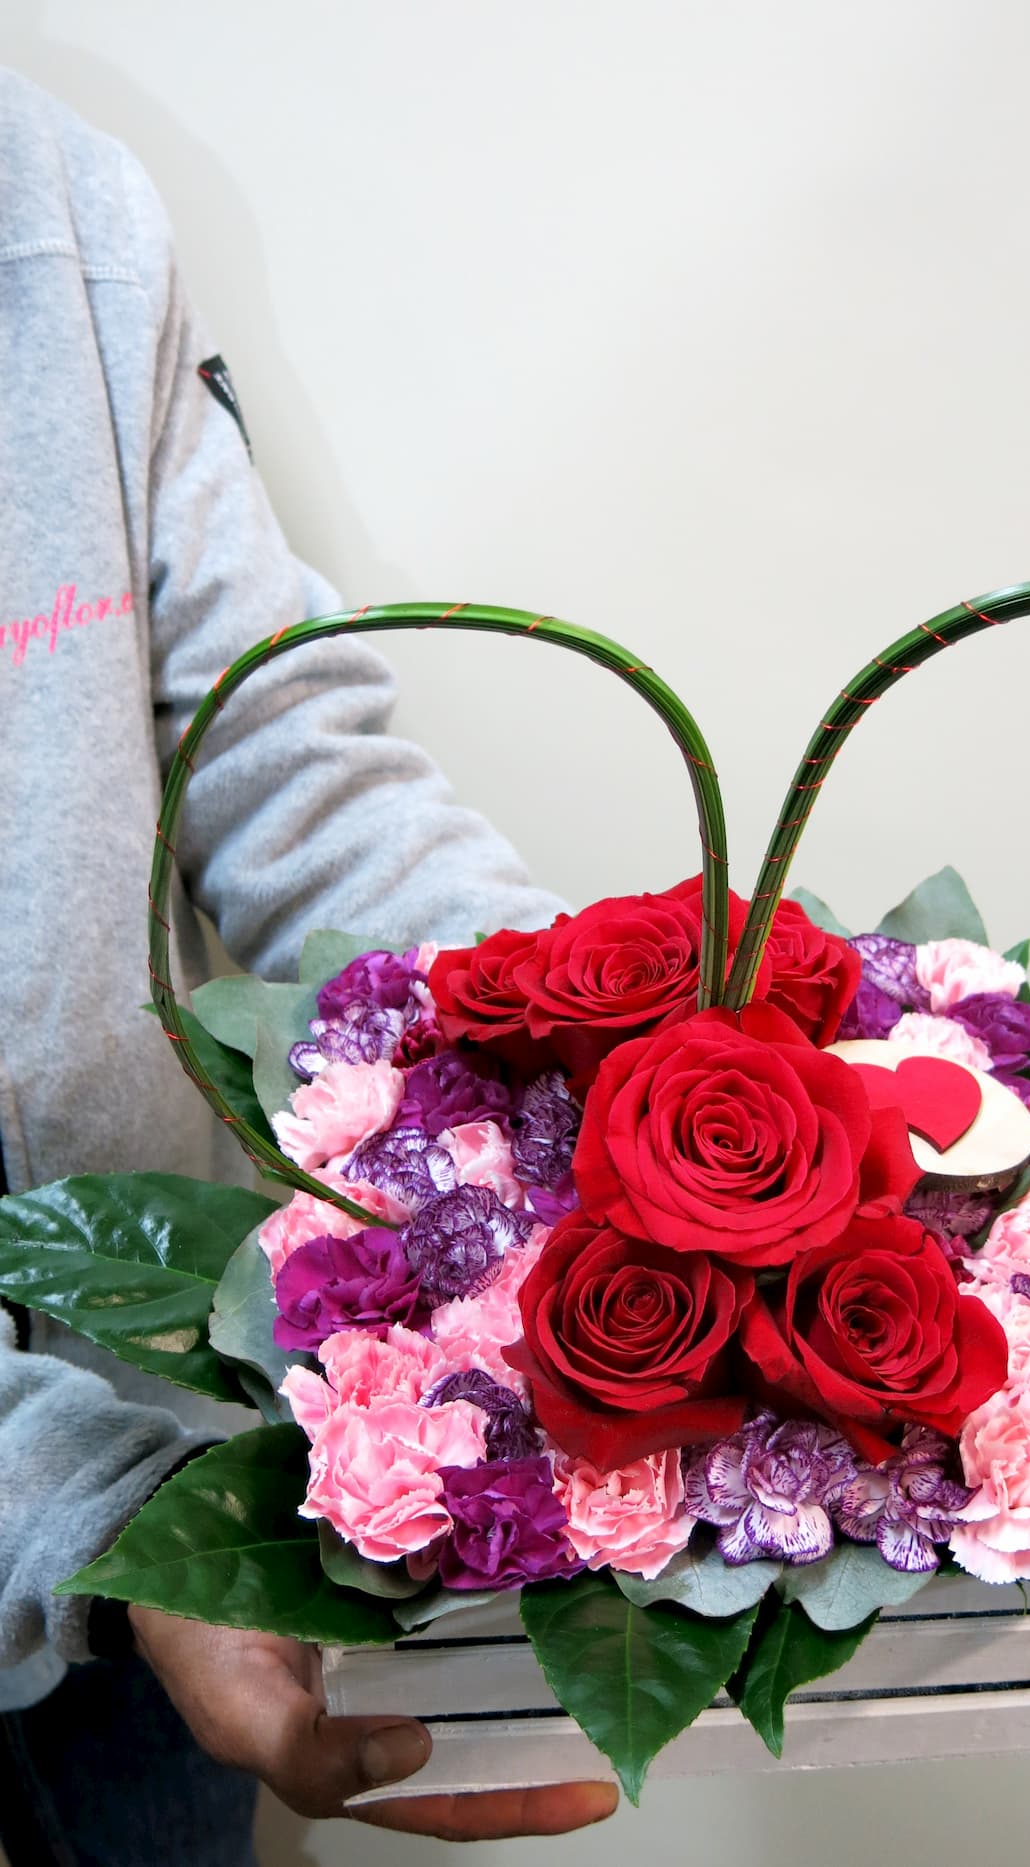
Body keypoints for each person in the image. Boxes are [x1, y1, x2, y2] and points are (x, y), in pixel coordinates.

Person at [0, 66, 617, 1860]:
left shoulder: (60, 211)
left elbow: (279, 759)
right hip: (119, 1514)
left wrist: (611, 1084)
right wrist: (72, 1511)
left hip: (164, 1500)